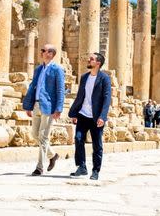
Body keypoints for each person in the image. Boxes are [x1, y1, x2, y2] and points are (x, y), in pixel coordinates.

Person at [23, 44, 65, 176]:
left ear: (51, 54)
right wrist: (28, 105)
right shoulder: (38, 69)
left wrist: (58, 109)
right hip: (36, 105)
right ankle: (52, 155)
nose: (41, 52)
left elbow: (60, 90)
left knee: (43, 136)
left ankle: (39, 167)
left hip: (48, 107)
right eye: (42, 50)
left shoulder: (57, 69)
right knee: (35, 134)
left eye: (44, 50)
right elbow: (32, 86)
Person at [68, 53, 111, 180]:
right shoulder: (84, 77)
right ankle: (81, 167)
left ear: (98, 63)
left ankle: (95, 170)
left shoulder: (104, 78)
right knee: (78, 138)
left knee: (97, 144)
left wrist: (102, 117)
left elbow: (107, 99)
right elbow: (80, 96)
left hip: (96, 117)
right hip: (83, 114)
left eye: (91, 59)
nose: (88, 60)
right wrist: (74, 113)